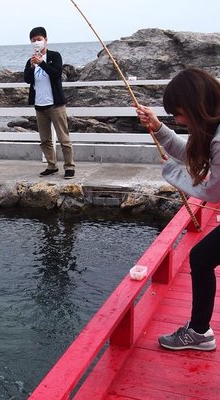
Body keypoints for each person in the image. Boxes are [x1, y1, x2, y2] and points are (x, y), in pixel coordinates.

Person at [137, 67, 220, 351]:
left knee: (201, 257)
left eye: (179, 113)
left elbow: (213, 191)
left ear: (196, 106)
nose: (178, 119)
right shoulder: (213, 128)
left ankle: (199, 332)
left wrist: (171, 172)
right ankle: (199, 332)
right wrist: (159, 128)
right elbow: (195, 153)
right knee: (201, 257)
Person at [24, 27, 75, 179]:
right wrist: (32, 66)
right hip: (39, 105)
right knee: (45, 140)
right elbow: (27, 79)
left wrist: (42, 63)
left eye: (39, 39)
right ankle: (52, 165)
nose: (36, 43)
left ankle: (69, 166)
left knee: (63, 138)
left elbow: (57, 74)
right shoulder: (30, 60)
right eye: (33, 41)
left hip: (55, 104)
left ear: (46, 40)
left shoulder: (54, 56)